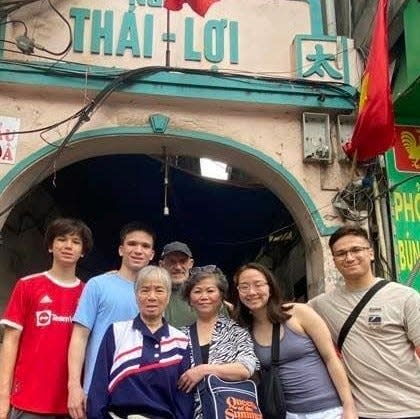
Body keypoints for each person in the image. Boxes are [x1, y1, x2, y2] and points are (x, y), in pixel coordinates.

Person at [309, 225, 420, 419]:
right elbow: (283, 313)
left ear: (371, 253)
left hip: (411, 407)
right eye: (341, 253)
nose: (349, 258)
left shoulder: (405, 297)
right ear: (334, 261)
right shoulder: (322, 305)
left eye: (356, 250)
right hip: (362, 412)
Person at [232, 262, 357, 419]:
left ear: (270, 287)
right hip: (288, 413)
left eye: (258, 284)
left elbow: (331, 358)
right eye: (244, 287)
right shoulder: (245, 330)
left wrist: (349, 405)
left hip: (329, 410)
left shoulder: (298, 312)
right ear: (237, 292)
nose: (252, 292)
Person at [0, 217, 93, 419]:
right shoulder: (27, 285)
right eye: (61, 239)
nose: (68, 246)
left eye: (76, 242)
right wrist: (3, 397)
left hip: (72, 404)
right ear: (50, 246)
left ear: (83, 251)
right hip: (29, 399)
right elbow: (10, 342)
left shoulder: (89, 294)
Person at [68, 222, 155, 419]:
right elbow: (79, 337)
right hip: (98, 393)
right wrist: (74, 386)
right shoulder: (98, 285)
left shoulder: (155, 295)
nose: (138, 250)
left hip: (138, 397)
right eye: (132, 244)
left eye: (145, 246)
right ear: (121, 249)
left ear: (152, 254)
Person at [87, 266, 193, 419]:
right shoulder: (116, 332)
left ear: (168, 296)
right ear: (136, 295)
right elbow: (99, 387)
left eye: (159, 290)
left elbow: (183, 400)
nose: (151, 297)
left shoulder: (180, 342)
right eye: (145, 290)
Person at [177, 265, 258, 418]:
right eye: (197, 291)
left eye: (210, 291)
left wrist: (203, 370)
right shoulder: (179, 335)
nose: (204, 296)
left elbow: (246, 368)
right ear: (189, 300)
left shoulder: (236, 331)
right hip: (189, 413)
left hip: (229, 411)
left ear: (221, 296)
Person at [159, 241, 196, 328]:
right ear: (161, 264)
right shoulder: (152, 295)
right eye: (171, 261)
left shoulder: (205, 296)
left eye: (183, 261)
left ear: (191, 264)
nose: (178, 267)